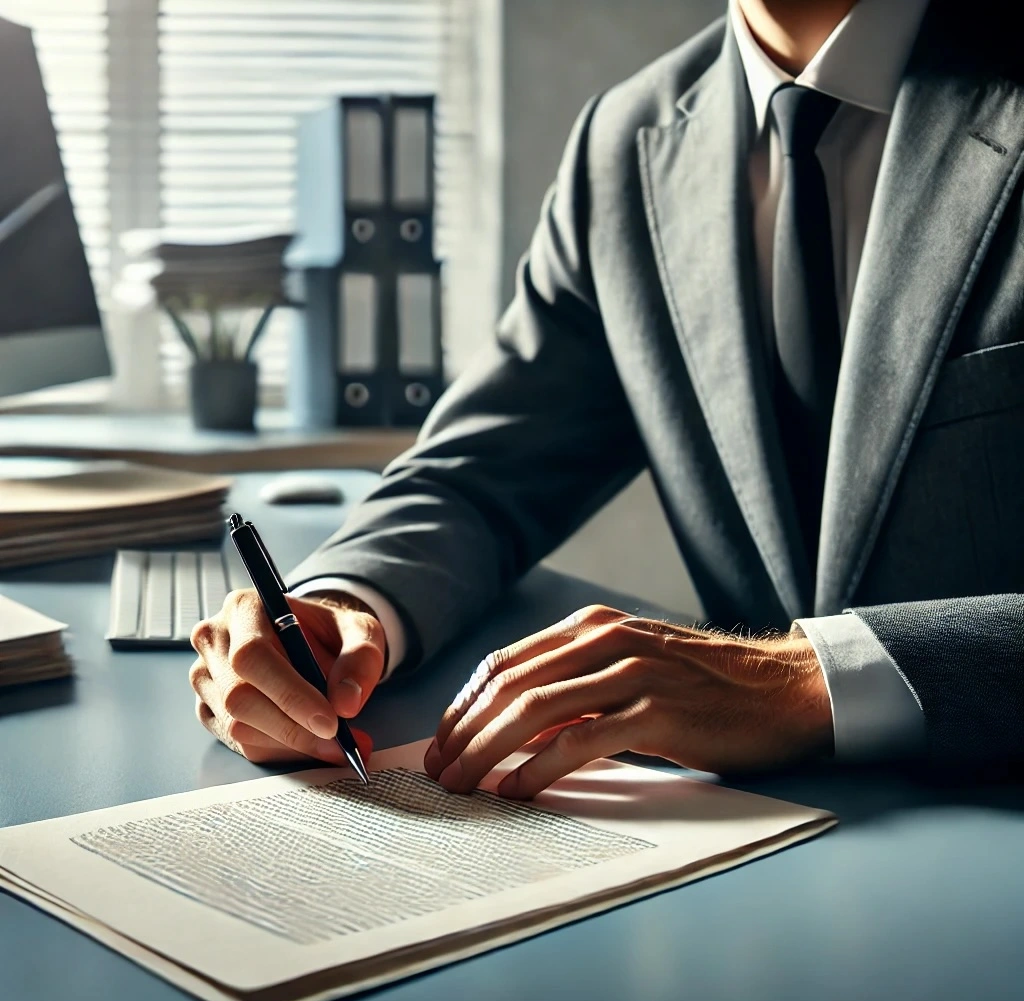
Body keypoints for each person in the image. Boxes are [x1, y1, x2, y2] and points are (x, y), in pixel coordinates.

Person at [189, 0, 1024, 797]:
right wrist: (339, 608)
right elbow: (482, 474)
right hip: (754, 858)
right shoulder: (626, 143)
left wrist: (810, 681)